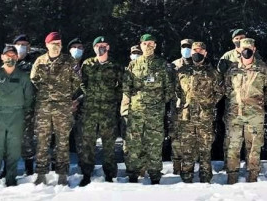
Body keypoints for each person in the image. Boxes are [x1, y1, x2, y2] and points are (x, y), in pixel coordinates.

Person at [222, 38, 267, 183]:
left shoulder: (263, 68)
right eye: (244, 48)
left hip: (255, 115)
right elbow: (226, 89)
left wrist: (259, 103)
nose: (246, 51)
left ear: (254, 49)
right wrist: (236, 101)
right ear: (239, 50)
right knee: (233, 146)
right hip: (235, 114)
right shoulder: (233, 69)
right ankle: (232, 177)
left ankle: (253, 177)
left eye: (249, 48)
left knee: (254, 147)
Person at [30, 32, 81, 186]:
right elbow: (34, 79)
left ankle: (62, 174)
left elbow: (77, 80)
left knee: (62, 142)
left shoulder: (69, 61)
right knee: (42, 142)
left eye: (59, 43)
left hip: (63, 107)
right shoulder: (40, 61)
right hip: (44, 107)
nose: (56, 46)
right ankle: (41, 173)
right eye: (53, 43)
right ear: (47, 45)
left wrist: (64, 94)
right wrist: (47, 93)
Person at [123, 34, 174, 184]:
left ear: (155, 45)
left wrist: (157, 102)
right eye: (145, 44)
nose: (148, 46)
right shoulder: (133, 65)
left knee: (154, 144)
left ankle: (155, 175)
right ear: (141, 45)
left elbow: (169, 89)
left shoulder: (162, 64)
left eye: (151, 43)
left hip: (155, 113)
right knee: (134, 144)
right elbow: (126, 88)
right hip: (136, 112)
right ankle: (133, 174)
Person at [0, 45, 34, 188]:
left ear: (17, 58)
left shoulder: (23, 77)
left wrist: (19, 110)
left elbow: (29, 98)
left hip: (16, 116)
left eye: (13, 55)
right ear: (2, 57)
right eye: (7, 55)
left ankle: (11, 178)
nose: (10, 58)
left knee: (14, 149)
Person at [174, 41, 225, 183]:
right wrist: (183, 103)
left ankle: (206, 179)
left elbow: (220, 92)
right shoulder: (182, 71)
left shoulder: (212, 73)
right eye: (195, 50)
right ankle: (186, 179)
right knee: (187, 150)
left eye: (200, 51)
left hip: (205, 117)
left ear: (205, 53)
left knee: (205, 150)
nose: (197, 53)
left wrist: (209, 103)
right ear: (191, 52)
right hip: (187, 117)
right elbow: (176, 89)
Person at [77, 37, 125, 185]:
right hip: (89, 111)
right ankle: (86, 174)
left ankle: (110, 175)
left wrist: (112, 97)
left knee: (109, 145)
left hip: (108, 112)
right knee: (88, 144)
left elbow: (122, 86)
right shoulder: (87, 64)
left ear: (108, 47)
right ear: (94, 48)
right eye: (97, 45)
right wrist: (90, 94)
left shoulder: (115, 66)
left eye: (103, 45)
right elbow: (82, 82)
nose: (100, 48)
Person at [13, 34, 38, 176]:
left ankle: (29, 170)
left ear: (29, 47)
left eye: (25, 44)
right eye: (19, 44)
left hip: (28, 109)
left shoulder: (34, 63)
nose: (22, 47)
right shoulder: (8, 62)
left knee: (27, 140)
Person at [170, 38, 194, 174]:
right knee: (175, 138)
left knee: (191, 138)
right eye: (183, 46)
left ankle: (188, 168)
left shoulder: (198, 63)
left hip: (193, 109)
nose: (186, 49)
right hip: (177, 108)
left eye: (189, 47)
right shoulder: (174, 65)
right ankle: (176, 168)